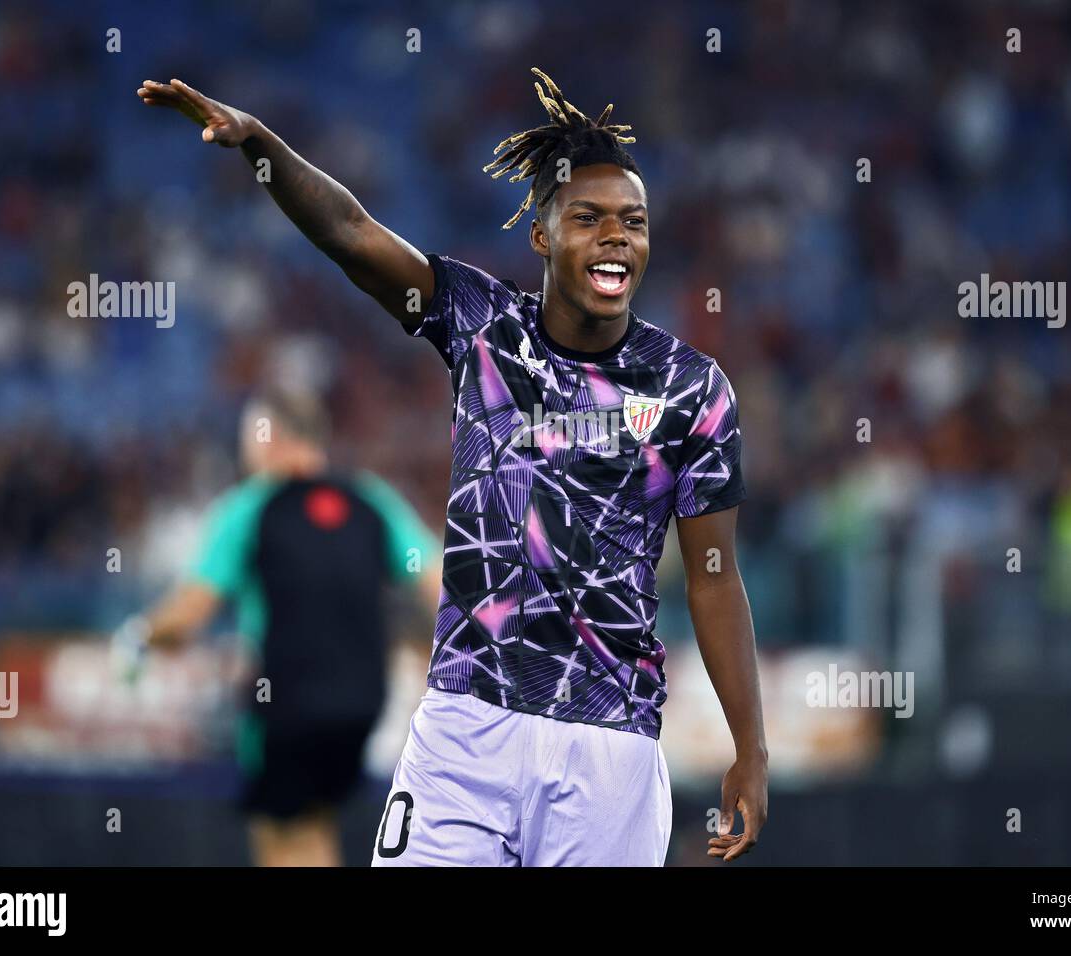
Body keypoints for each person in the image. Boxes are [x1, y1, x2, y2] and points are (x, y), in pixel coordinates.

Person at [136, 66, 767, 866]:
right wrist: (261, 145)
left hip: (611, 748)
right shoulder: (482, 325)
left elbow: (713, 576)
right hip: (468, 732)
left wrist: (751, 745)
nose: (617, 235)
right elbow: (353, 234)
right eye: (590, 218)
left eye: (633, 222)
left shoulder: (693, 389)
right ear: (543, 234)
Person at [111, 387, 440, 866]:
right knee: (315, 826)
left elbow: (192, 611)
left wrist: (138, 635)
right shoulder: (372, 501)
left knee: (282, 838)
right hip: (364, 704)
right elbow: (441, 585)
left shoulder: (250, 507)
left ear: (270, 438)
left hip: (285, 701)